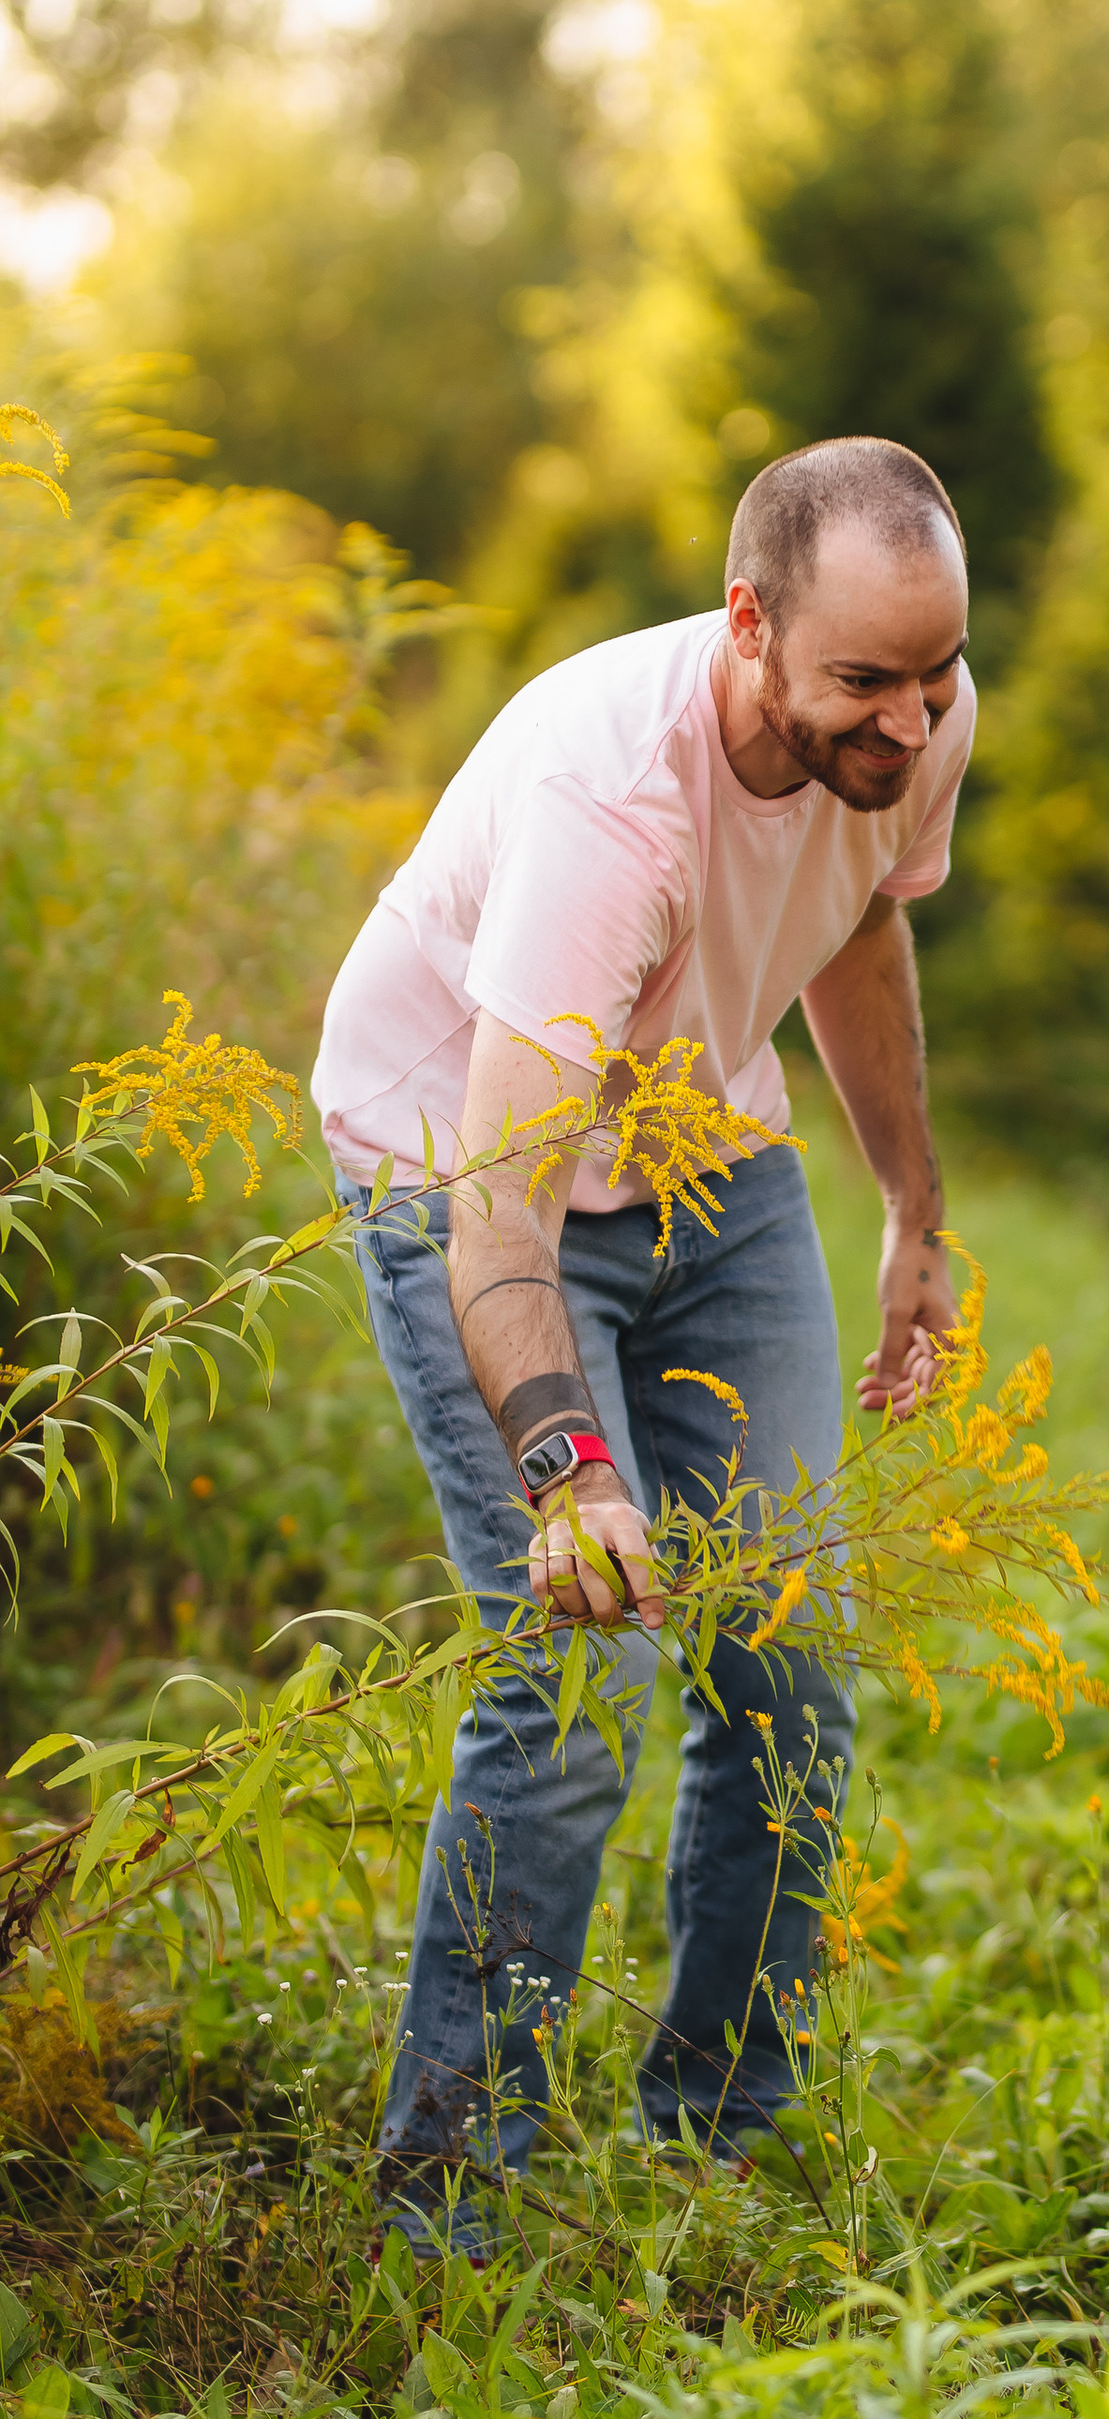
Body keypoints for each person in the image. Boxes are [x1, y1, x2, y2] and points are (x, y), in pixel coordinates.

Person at [312, 435, 974, 2233]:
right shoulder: (609, 810)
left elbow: (853, 932)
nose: (910, 725)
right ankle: (448, 2199)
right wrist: (571, 1471)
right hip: (468, 1166)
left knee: (792, 1658)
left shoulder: (912, 717)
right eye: (865, 682)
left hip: (708, 1155)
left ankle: (721, 2129)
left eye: (934, 676)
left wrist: (914, 1211)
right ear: (747, 624)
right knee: (574, 1682)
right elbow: (501, 1219)